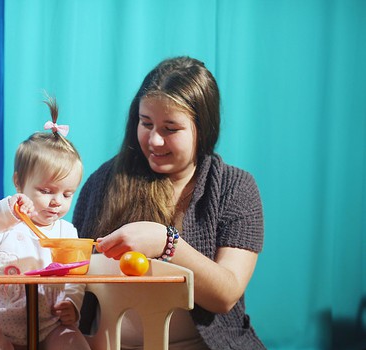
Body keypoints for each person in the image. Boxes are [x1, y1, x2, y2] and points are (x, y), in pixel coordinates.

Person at [73, 56, 265, 349]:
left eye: (170, 129)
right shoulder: (104, 181)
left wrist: (167, 244)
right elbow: (69, 270)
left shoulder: (235, 188)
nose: (154, 141)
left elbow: (226, 295)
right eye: (145, 123)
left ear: (204, 129)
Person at [0, 95, 91, 350]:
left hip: (47, 325)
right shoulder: (4, 223)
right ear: (19, 183)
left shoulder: (67, 231)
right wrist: (6, 210)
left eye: (67, 194)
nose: (57, 202)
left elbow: (78, 275)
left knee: (73, 342)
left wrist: (72, 304)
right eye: (46, 190)